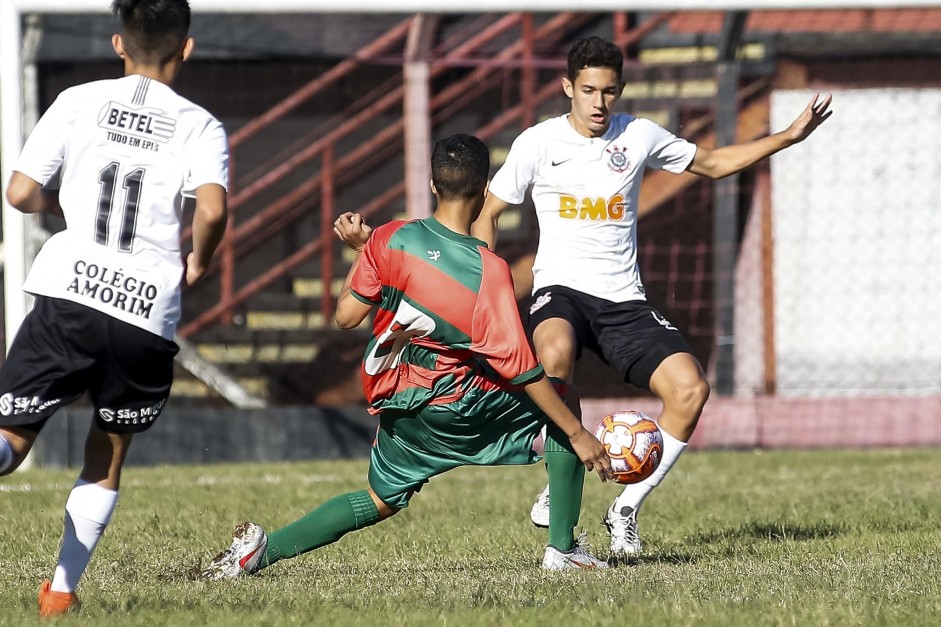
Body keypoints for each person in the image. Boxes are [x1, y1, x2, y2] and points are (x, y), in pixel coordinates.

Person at [472, 36, 832, 558]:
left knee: (690, 390)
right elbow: (488, 212)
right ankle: (562, 475)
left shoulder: (638, 135)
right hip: (561, 292)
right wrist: (488, 290)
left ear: (620, 91)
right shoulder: (537, 143)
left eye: (610, 91)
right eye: (589, 90)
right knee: (552, 354)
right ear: (568, 87)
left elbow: (711, 164)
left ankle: (626, 507)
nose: (599, 103)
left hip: (623, 301)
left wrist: (787, 137)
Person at [201, 134, 612, 579]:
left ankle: (261, 552)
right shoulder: (489, 271)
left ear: (433, 185)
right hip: (455, 403)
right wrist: (578, 434)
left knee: (381, 499)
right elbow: (522, 368)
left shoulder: (390, 237)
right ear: (484, 189)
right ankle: (564, 549)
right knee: (563, 398)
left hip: (400, 398)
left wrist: (364, 253)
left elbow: (345, 316)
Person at [0, 0, 228, 616]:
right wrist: (200, 261)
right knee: (107, 450)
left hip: (69, 291)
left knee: (12, 438)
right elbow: (210, 209)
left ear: (117, 44)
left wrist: (65, 209)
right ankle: (61, 592)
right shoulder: (200, 124)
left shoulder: (78, 100)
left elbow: (20, 192)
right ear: (187, 49)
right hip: (145, 310)